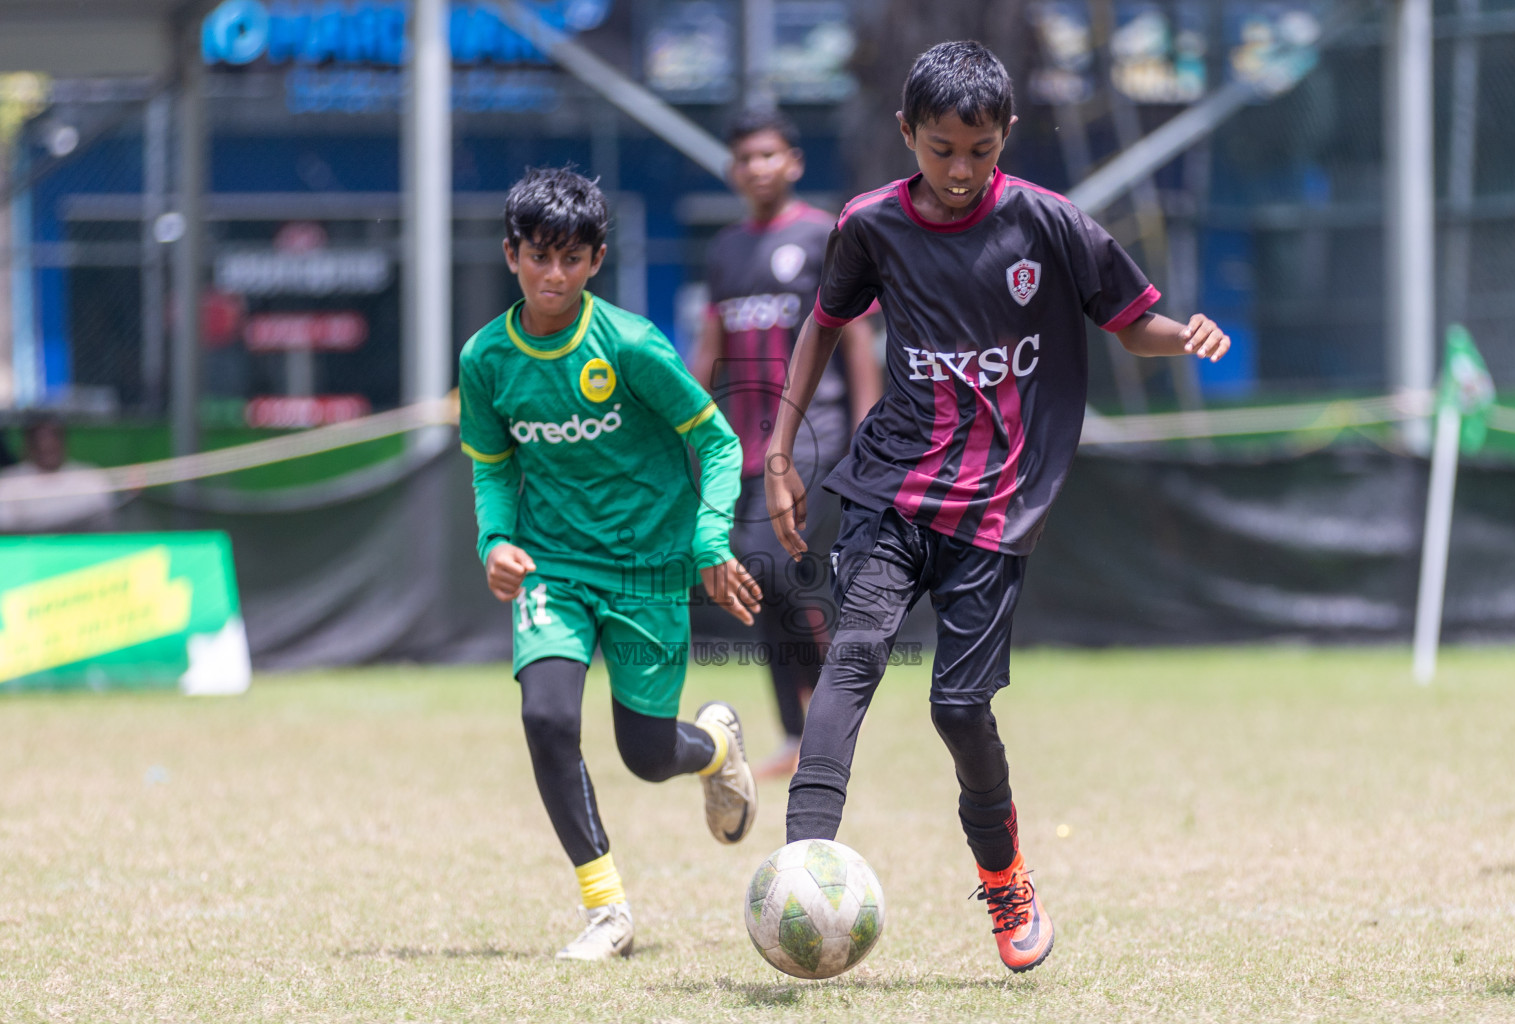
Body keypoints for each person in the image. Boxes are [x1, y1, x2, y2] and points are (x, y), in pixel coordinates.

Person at [764, 41, 1230, 973]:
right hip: (890, 488)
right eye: (941, 150)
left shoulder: (1051, 225)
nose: (961, 170)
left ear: (1006, 134)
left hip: (996, 509)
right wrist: (782, 449)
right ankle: (801, 866)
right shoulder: (869, 226)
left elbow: (1129, 322)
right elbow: (824, 324)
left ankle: (1007, 876)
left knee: (959, 709)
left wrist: (1181, 335)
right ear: (907, 135)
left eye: (979, 150)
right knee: (851, 657)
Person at [458, 167, 765, 961]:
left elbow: (717, 442)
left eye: (571, 259)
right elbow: (493, 469)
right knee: (548, 719)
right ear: (511, 254)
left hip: (647, 571)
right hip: (553, 570)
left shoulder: (630, 345)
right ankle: (608, 911)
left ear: (596, 261)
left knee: (647, 754)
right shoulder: (487, 359)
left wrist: (708, 543)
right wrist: (496, 544)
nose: (552, 275)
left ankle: (719, 750)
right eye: (537, 256)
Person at [689, 109, 883, 779]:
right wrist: (678, 417)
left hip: (815, 440)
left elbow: (856, 342)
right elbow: (710, 349)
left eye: (770, 155)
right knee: (766, 583)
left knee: (775, 568)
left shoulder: (822, 235)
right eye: (746, 158)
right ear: (733, 170)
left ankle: (828, 728)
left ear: (793, 162)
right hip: (745, 450)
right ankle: (804, 734)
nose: (758, 167)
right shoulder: (725, 251)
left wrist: (866, 437)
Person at [0, 412, 117, 533]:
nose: (47, 444)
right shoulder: (9, 481)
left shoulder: (91, 478)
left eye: (53, 436)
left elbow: (102, 521)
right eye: (40, 439)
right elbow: (6, 527)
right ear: (29, 444)